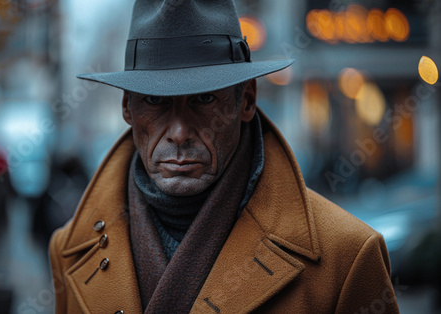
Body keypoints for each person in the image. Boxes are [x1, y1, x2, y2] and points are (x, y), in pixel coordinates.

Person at [49, 0, 400, 313]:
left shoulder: (346, 255)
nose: (180, 132)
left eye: (204, 100)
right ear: (128, 106)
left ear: (246, 100)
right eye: (155, 101)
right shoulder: (70, 252)